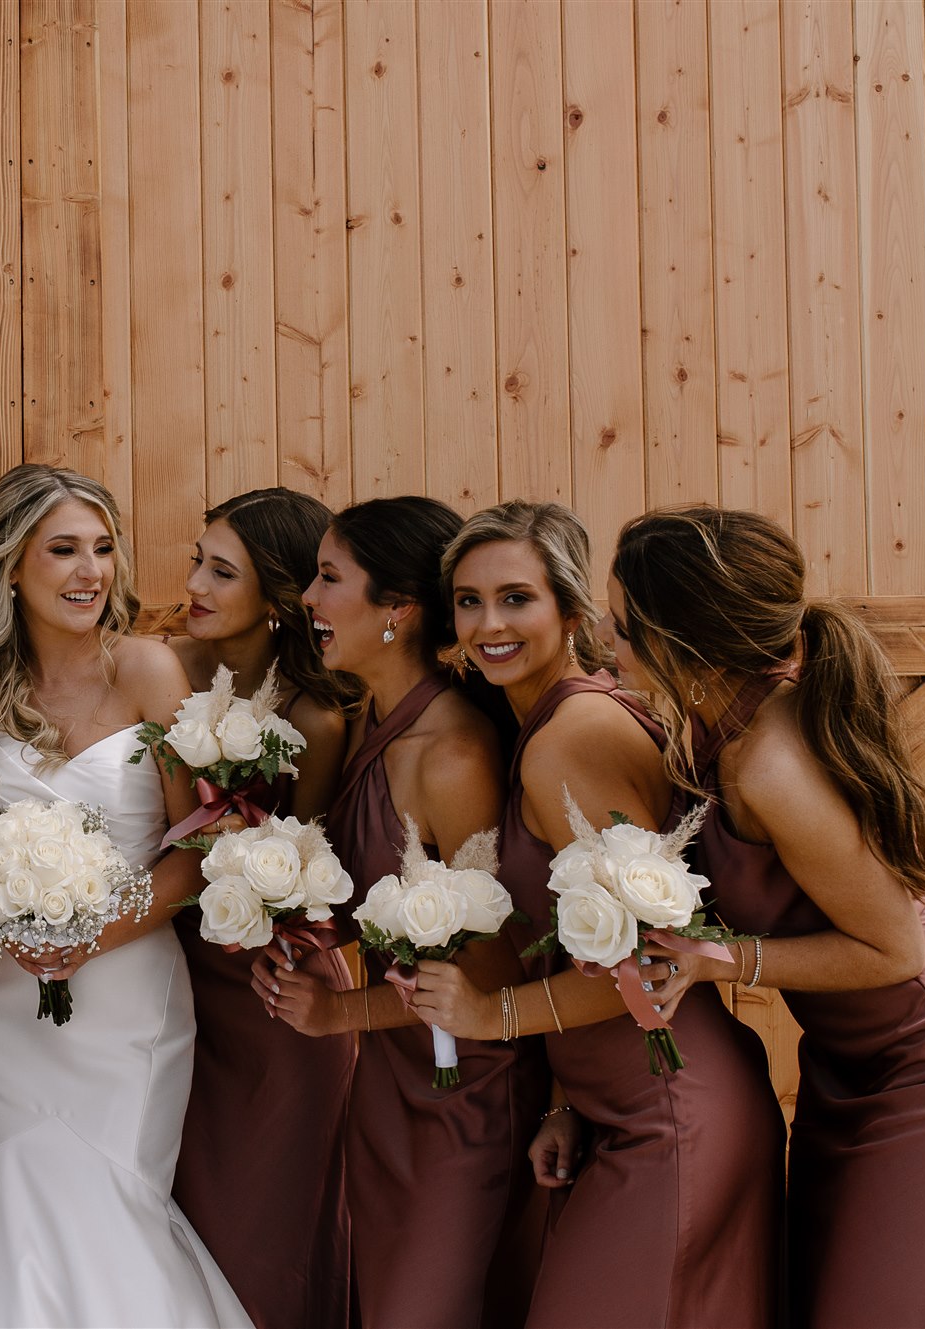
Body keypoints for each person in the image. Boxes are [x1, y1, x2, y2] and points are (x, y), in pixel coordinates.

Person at [609, 506, 925, 1327]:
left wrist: (723, 960)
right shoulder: (719, 720)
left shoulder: (770, 764)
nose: (610, 645)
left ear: (686, 641)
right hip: (850, 1067)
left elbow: (896, 950)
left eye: (623, 627)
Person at [406, 499, 782, 1329]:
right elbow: (595, 937)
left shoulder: (571, 737)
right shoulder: (552, 724)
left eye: (516, 598)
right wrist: (567, 1100)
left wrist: (487, 1011)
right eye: (468, 600)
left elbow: (646, 966)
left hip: (674, 1114)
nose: (488, 623)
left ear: (572, 610)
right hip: (626, 1108)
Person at [0, 463, 250, 1328]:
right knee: (8, 1194)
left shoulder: (149, 668)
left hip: (125, 990)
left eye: (103, 549)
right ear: (10, 564)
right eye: (64, 550)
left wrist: (92, 936)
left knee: (114, 1195)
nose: (90, 572)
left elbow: (199, 852)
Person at [262, 496, 543, 1327]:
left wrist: (338, 1010)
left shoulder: (451, 754)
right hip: (392, 1077)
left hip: (468, 1090)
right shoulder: (365, 722)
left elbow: (494, 971)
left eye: (328, 577)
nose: (308, 599)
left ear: (397, 610)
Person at [166, 488, 362, 1329]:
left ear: (282, 597)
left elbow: (307, 864)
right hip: (167, 979)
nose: (195, 584)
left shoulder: (313, 715)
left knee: (262, 1228)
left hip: (271, 990)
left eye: (221, 570)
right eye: (197, 561)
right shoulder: (160, 672)